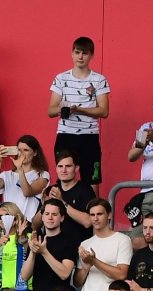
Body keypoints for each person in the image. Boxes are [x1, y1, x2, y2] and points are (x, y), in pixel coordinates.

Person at [48, 37, 110, 185]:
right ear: (72, 53)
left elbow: (104, 111)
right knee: (64, 180)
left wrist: (79, 110)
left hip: (89, 136)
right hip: (65, 135)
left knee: (92, 181)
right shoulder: (61, 78)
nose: (80, 57)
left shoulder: (99, 79)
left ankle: (93, 209)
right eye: (77, 52)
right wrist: (65, 109)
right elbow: (51, 110)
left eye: (85, 53)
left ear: (92, 55)